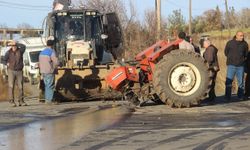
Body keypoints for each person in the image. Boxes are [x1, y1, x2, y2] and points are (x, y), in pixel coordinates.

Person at [224, 31, 249, 100]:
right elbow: (226, 52)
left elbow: (246, 54)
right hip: (231, 65)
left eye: (243, 35)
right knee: (229, 82)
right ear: (236, 36)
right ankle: (227, 97)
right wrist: (230, 58)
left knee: (240, 82)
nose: (242, 37)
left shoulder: (245, 44)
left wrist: (242, 60)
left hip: (241, 66)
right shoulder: (230, 43)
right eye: (241, 36)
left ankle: (240, 96)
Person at [2, 41, 27, 107]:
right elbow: (3, 60)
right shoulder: (8, 52)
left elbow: (24, 46)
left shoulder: (20, 51)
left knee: (20, 86)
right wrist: (6, 63)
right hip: (11, 71)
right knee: (11, 86)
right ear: (11, 46)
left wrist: (16, 43)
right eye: (13, 46)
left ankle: (21, 101)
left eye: (15, 46)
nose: (14, 47)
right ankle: (12, 101)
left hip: (19, 71)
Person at [39, 40, 58, 104]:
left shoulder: (42, 52)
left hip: (43, 71)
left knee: (47, 85)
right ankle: (49, 100)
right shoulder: (52, 52)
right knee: (50, 85)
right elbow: (56, 61)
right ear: (52, 45)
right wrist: (59, 64)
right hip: (49, 70)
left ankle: (47, 99)